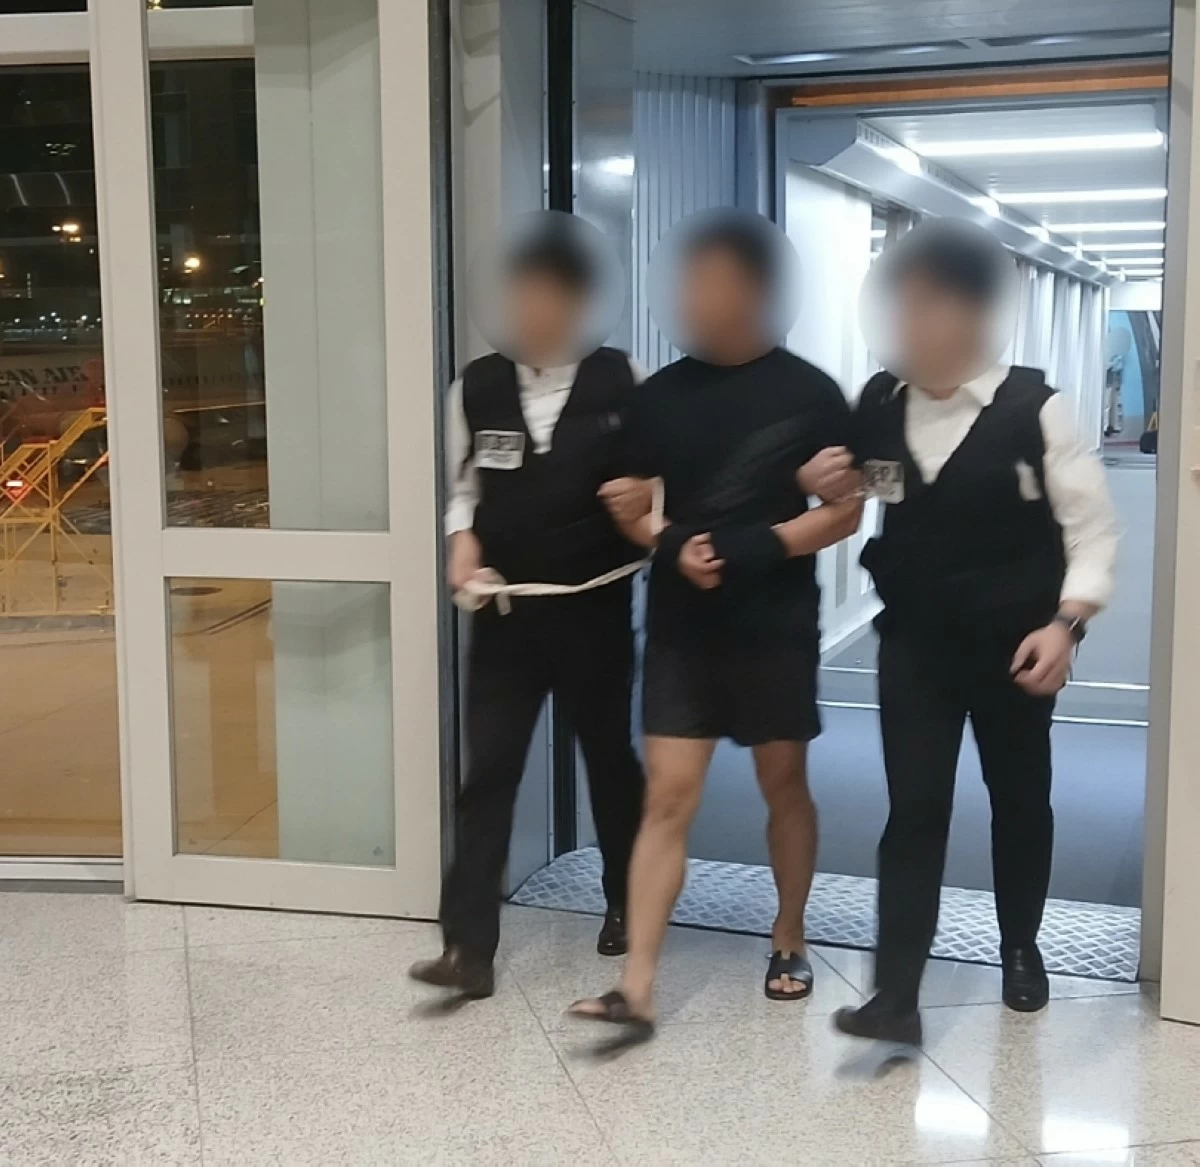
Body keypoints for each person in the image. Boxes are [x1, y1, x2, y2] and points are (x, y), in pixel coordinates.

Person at [813, 221, 1120, 1046]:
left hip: (1017, 645)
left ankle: (1020, 946)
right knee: (914, 809)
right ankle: (896, 994)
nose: (911, 324)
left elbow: (1091, 531)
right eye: (903, 308)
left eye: (929, 307)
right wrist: (819, 479)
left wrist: (1066, 623)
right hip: (915, 642)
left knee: (1018, 800)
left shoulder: (1036, 409)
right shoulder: (880, 401)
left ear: (976, 315)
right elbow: (841, 488)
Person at [568, 214, 863, 1039]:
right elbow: (630, 506)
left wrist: (753, 546)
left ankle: (789, 934)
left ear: (757, 291)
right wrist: (670, 543)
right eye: (690, 283)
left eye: (714, 281)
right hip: (681, 623)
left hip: (774, 622)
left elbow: (844, 513)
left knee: (783, 784)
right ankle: (637, 984)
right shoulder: (657, 395)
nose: (697, 298)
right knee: (667, 796)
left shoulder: (809, 393)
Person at [409, 223, 650, 1000]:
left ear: (579, 303)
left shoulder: (622, 378)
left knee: (609, 762)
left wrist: (643, 500)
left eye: (551, 297)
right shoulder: (475, 386)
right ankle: (467, 946)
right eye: (524, 297)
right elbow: (464, 491)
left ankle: (626, 899)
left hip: (595, 607)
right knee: (489, 773)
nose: (536, 311)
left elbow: (655, 485)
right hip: (507, 615)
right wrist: (461, 547)